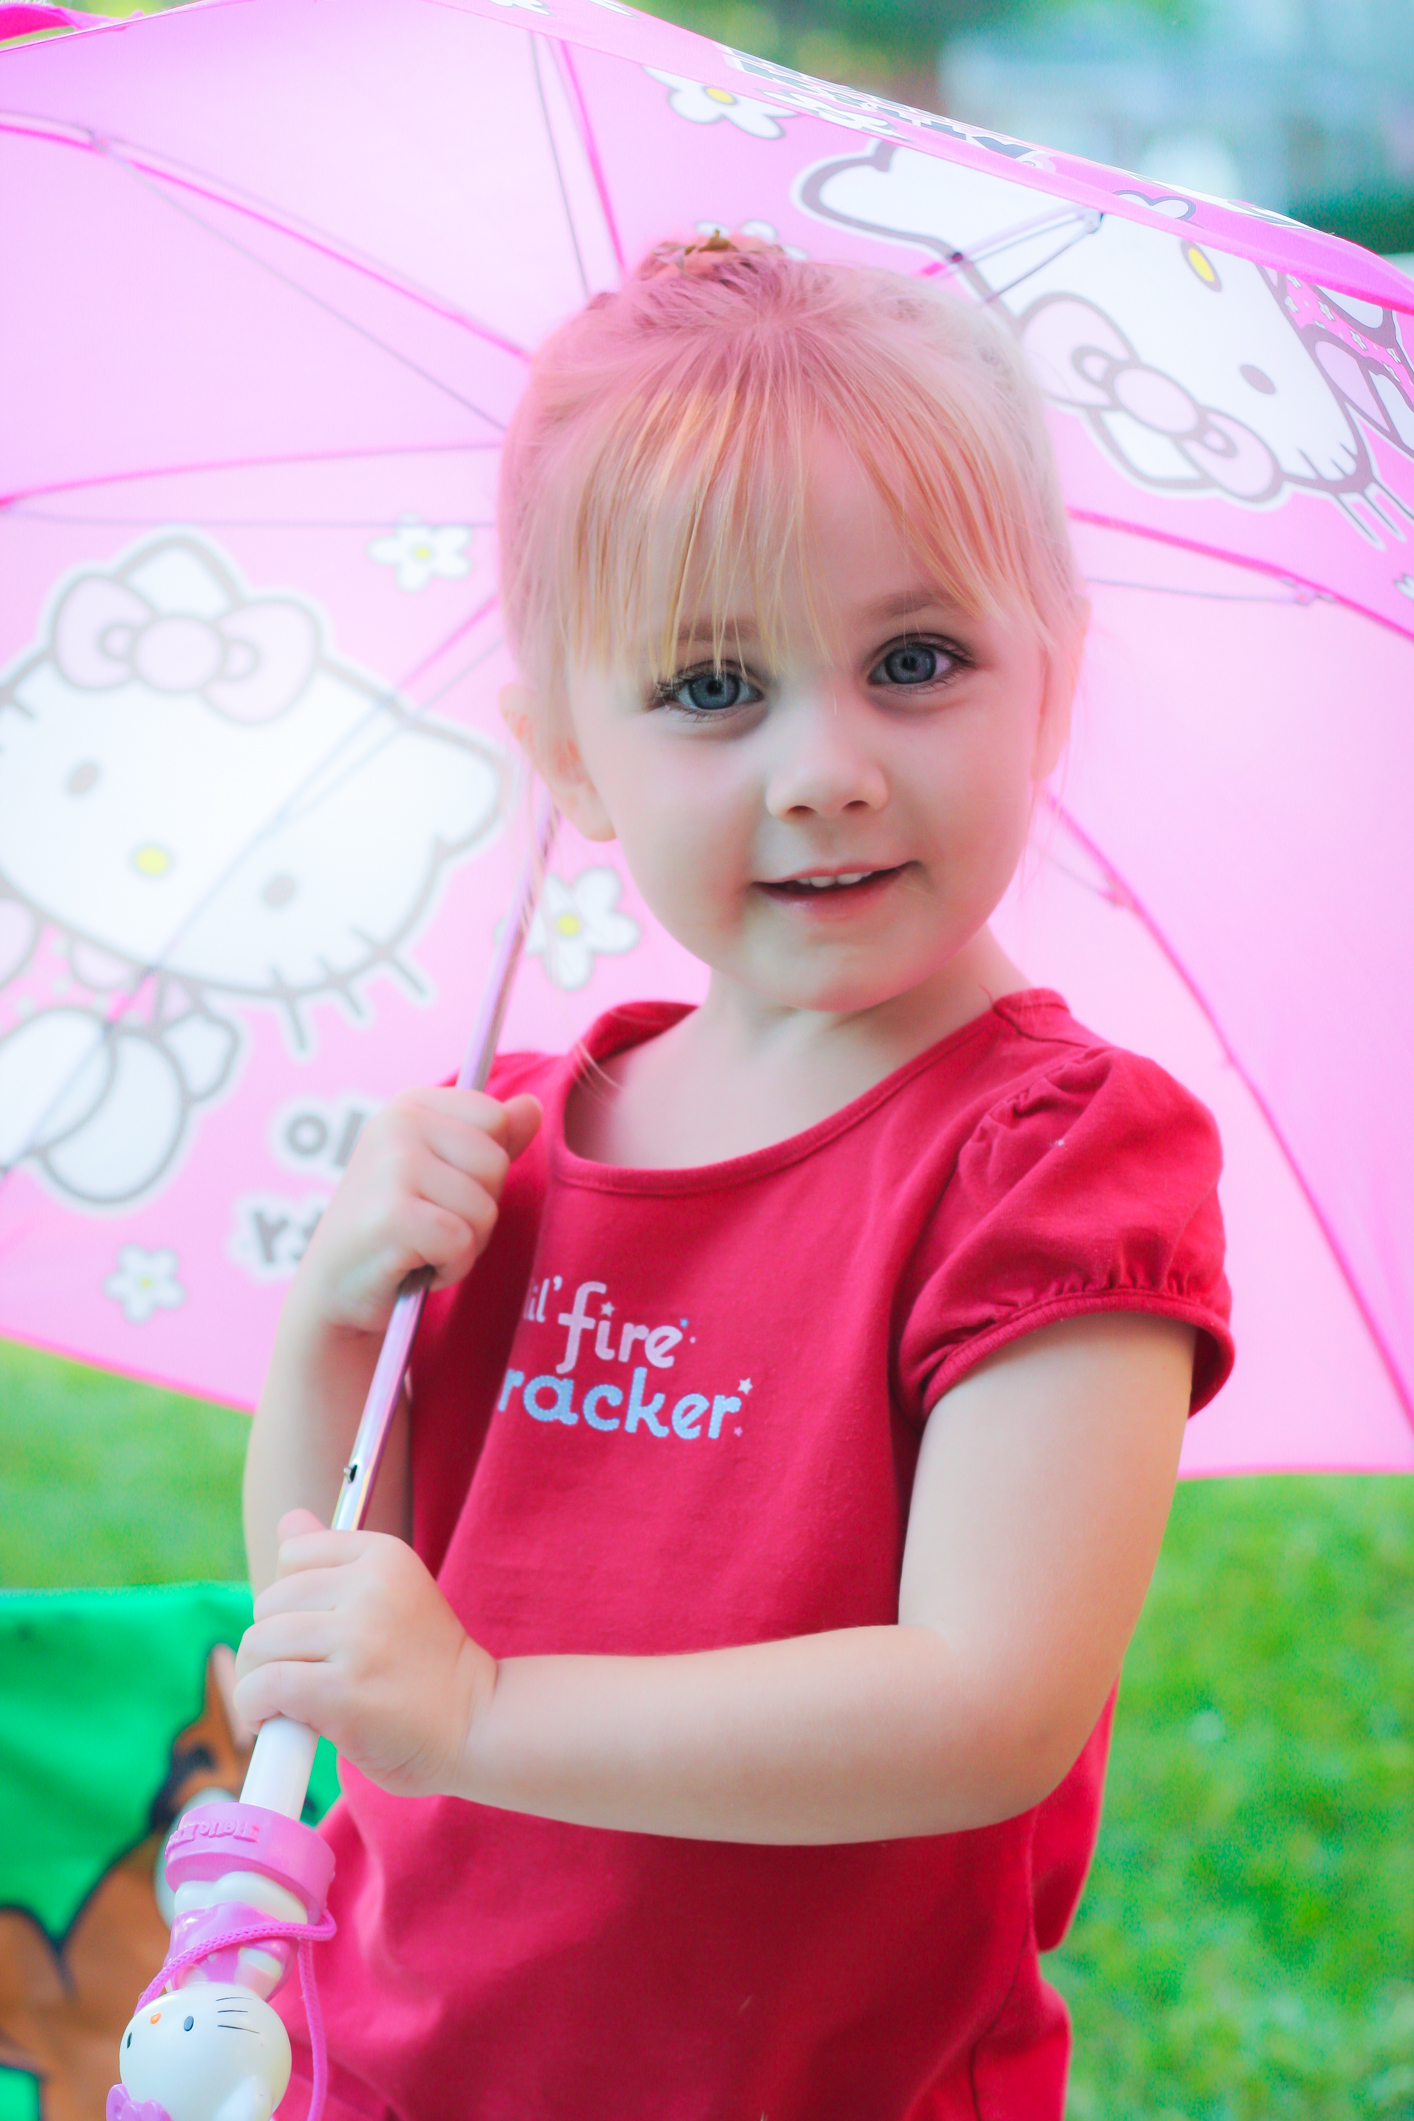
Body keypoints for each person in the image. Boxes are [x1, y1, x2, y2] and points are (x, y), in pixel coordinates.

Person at [235, 234, 1233, 2121]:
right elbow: (322, 1618)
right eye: (709, 685)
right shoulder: (510, 1137)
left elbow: (984, 1701)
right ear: (566, 758)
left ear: (1055, 680)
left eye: (915, 659)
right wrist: (333, 1316)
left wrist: (482, 1713)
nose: (825, 767)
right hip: (393, 2068)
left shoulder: (1048, 1156)